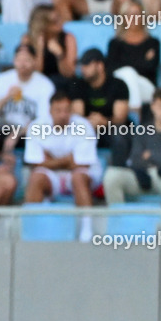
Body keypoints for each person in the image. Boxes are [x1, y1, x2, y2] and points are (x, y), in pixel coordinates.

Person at [23, 91, 101, 242]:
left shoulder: (83, 126)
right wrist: (68, 160)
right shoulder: (36, 126)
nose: (63, 114)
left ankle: (86, 229)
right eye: (58, 110)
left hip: (80, 175)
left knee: (78, 176)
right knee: (36, 177)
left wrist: (50, 160)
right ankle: (31, 230)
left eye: (66, 110)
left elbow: (82, 163)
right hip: (53, 177)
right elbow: (34, 163)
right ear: (50, 111)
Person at [103, 88, 161, 213]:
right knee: (112, 175)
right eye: (160, 106)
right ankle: (118, 221)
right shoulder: (143, 129)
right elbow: (135, 159)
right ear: (152, 107)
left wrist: (151, 155)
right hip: (141, 176)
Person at [0, 43, 55, 152]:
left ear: (34, 61)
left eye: (27, 60)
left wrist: (16, 134)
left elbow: (45, 119)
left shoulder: (45, 85)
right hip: (1, 129)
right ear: (14, 60)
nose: (22, 64)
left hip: (28, 131)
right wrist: (6, 97)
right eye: (19, 60)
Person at [69, 48, 131, 166]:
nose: (83, 69)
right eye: (82, 65)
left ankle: (119, 173)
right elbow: (77, 114)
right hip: (87, 128)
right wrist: (89, 123)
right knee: (73, 132)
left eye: (87, 64)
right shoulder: (78, 85)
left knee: (120, 135)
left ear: (100, 66)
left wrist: (104, 122)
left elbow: (120, 118)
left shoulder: (118, 85)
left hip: (110, 129)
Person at [106, 0, 161, 86]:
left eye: (137, 14)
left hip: (146, 86)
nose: (133, 18)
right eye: (129, 14)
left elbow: (151, 68)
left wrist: (127, 65)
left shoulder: (153, 42)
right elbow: (111, 69)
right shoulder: (115, 43)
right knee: (128, 74)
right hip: (122, 85)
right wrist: (143, 61)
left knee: (129, 74)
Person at [22, 5, 77, 85]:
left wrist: (60, 55)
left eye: (59, 18)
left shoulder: (68, 38)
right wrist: (39, 50)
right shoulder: (28, 40)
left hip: (61, 82)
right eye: (55, 21)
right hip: (38, 83)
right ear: (43, 24)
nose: (60, 22)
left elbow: (69, 74)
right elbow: (34, 74)